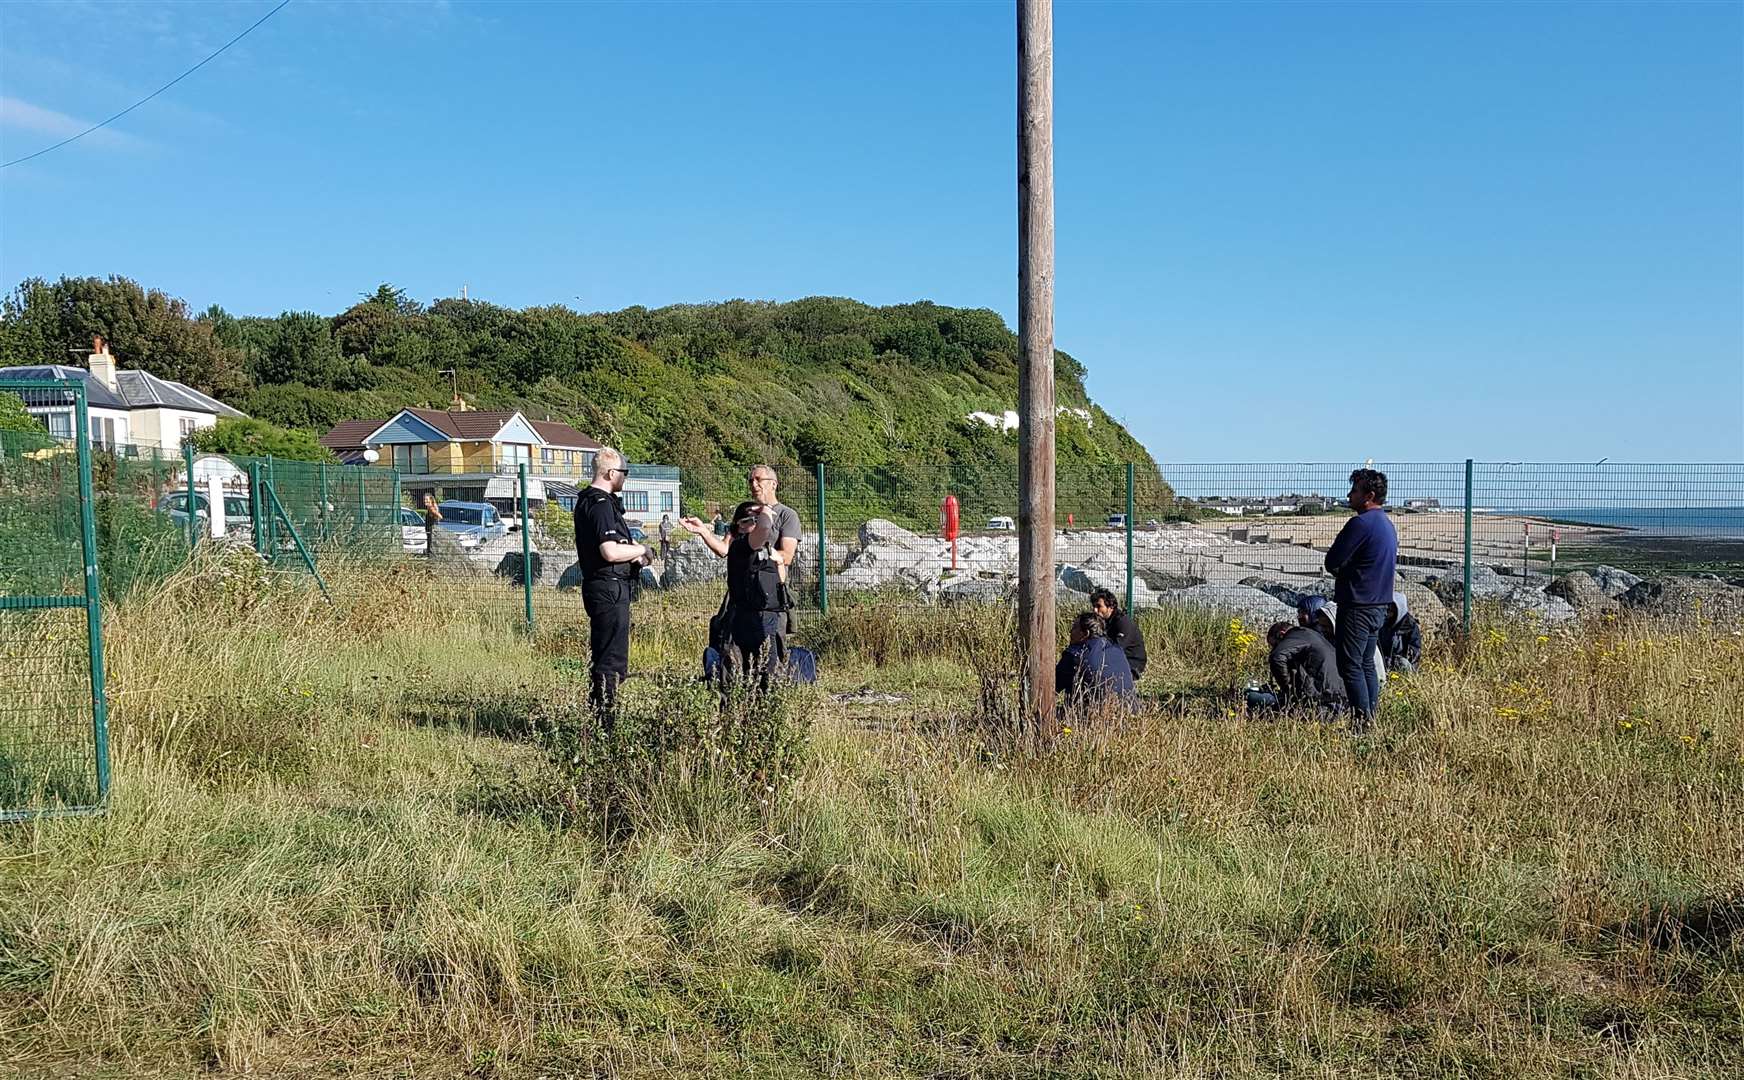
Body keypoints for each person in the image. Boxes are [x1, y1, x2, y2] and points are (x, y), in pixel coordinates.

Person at [573, 448, 652, 722]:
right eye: (624, 473)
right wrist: (642, 548)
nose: (625, 479)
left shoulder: (586, 501)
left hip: (602, 585)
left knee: (605, 655)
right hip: (609, 587)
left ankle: (600, 717)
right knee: (612, 660)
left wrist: (635, 555)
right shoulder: (601, 503)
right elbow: (609, 551)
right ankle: (604, 724)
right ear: (610, 473)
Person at [1324, 468, 1398, 730]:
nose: (1349, 495)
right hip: (1379, 604)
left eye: (1354, 490)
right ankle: (1370, 718)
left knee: (1350, 665)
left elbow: (1332, 561)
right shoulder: (1387, 524)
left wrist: (1345, 574)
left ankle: (1361, 724)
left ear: (1369, 495)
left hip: (1357, 604)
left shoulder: (1361, 524)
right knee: (1366, 662)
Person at [684, 500, 788, 683]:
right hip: (743, 618)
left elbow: (779, 579)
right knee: (736, 671)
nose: (756, 523)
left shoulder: (765, 550)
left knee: (770, 673)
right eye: (751, 520)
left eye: (758, 519)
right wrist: (766, 511)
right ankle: (735, 706)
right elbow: (763, 530)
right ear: (739, 526)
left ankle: (765, 704)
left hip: (768, 617)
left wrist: (777, 561)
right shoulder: (741, 547)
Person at [1249, 621, 1347, 715]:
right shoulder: (1310, 635)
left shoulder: (1295, 636)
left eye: (1275, 645)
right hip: (1339, 701)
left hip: (1321, 705)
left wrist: (1287, 689)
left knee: (1252, 697)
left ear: (1281, 634)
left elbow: (1277, 657)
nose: (1274, 649)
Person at [1054, 612, 1136, 713]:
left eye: (1074, 627)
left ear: (1085, 633)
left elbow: (1052, 687)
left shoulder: (1075, 654)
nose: (1070, 631)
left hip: (1093, 716)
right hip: (1128, 713)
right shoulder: (1117, 649)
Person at [1090, 587, 1147, 681]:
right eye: (1094, 606)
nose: (1095, 610)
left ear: (1111, 607)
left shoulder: (1123, 622)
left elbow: (1116, 650)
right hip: (1117, 662)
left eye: (1099, 606)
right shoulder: (1103, 621)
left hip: (1132, 665)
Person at [1380, 591, 1422, 673]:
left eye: (1391, 609)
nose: (1388, 612)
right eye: (1387, 608)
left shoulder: (1410, 627)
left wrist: (1396, 661)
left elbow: (1415, 653)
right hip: (1383, 661)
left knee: (1404, 664)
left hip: (1400, 663)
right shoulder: (1381, 622)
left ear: (1398, 610)